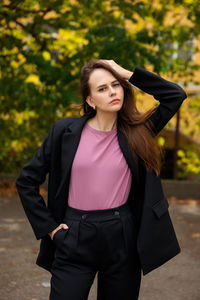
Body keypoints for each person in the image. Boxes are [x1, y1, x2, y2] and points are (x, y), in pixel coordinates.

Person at [16, 59, 187, 300]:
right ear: (89, 100)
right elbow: (26, 181)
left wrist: (127, 73)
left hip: (122, 236)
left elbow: (175, 95)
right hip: (73, 234)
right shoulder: (64, 132)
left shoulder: (139, 132)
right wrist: (51, 230)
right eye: (102, 88)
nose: (112, 92)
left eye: (115, 85)